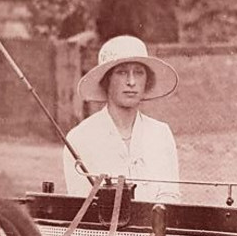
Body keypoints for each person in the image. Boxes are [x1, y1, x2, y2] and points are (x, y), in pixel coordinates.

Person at [62, 35, 181, 203]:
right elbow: (82, 208)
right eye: (122, 72)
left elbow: (170, 197)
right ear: (106, 80)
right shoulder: (80, 138)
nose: (131, 82)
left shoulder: (160, 134)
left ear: (147, 80)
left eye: (138, 73)